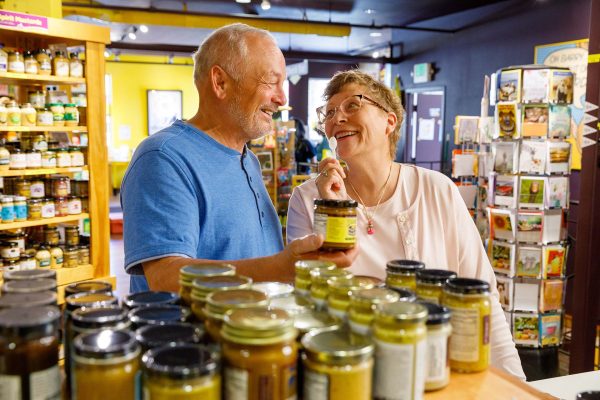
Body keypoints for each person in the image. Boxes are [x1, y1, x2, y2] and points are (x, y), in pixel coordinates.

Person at [286, 69, 525, 380]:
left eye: (352, 105)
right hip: (350, 375)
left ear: (390, 120)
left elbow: (481, 298)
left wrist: (518, 384)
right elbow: (312, 303)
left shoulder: (436, 189)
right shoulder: (307, 199)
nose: (337, 118)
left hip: (441, 373)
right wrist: (333, 209)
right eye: (329, 112)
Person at [121, 23, 357, 293]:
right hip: (196, 335)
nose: (281, 98)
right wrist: (280, 268)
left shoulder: (248, 159)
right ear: (220, 82)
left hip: (252, 330)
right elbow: (165, 278)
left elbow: (248, 250)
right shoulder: (163, 158)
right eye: (271, 81)